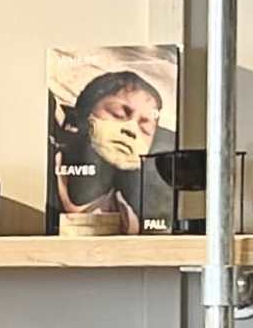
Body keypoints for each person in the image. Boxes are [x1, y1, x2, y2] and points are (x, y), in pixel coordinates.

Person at [49, 56, 174, 229]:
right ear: (83, 115)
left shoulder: (130, 221)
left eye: (145, 128)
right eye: (118, 114)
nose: (131, 130)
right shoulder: (46, 177)